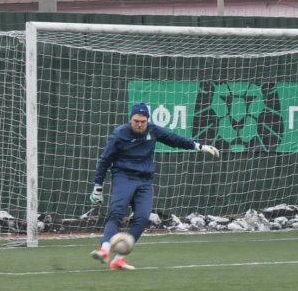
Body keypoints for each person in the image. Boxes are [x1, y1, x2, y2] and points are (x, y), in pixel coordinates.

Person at [90, 102, 219, 270]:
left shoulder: (153, 130)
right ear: (131, 119)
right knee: (116, 213)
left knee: (143, 218)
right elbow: (104, 160)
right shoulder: (119, 134)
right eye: (136, 121)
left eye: (143, 121)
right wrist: (98, 187)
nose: (139, 124)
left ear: (147, 120)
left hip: (144, 180)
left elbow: (175, 139)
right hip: (123, 177)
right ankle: (105, 250)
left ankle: (119, 259)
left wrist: (200, 147)